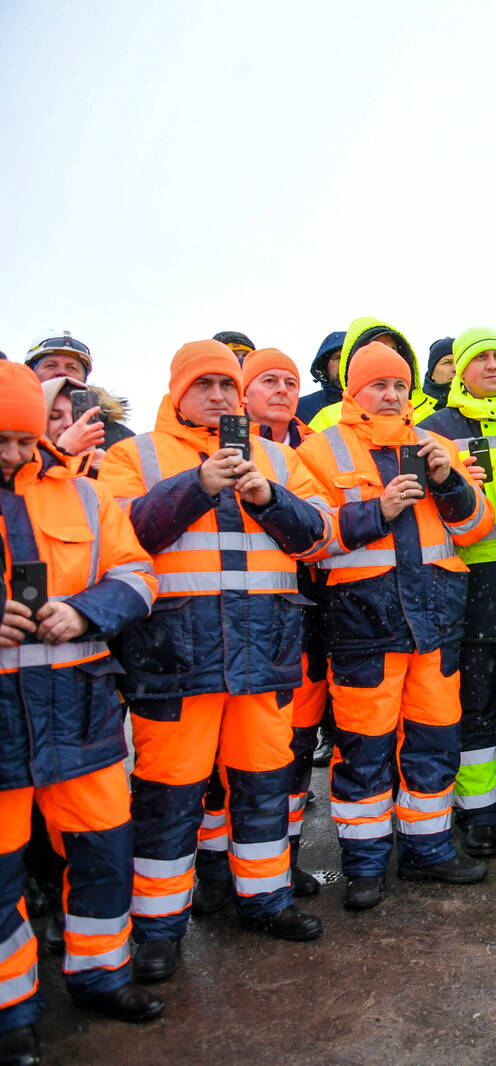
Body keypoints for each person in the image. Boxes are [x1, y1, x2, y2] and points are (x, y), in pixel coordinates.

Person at [98, 341, 336, 983]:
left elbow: (322, 536)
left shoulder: (281, 459)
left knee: (262, 787)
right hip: (177, 658)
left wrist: (269, 499)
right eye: (204, 385)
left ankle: (265, 900)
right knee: (168, 799)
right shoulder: (134, 456)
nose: (220, 397)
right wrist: (195, 487)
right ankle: (158, 929)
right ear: (177, 390)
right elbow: (119, 536)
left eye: (228, 385)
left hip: (264, 654)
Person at [295, 343, 496, 910]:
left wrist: (450, 482)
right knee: (363, 751)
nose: (391, 395)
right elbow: (309, 538)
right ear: (353, 392)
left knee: (433, 743)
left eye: (400, 387)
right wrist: (377, 510)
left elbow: (479, 526)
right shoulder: (319, 450)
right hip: (365, 629)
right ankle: (362, 866)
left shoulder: (439, 444)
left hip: (434, 628)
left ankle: (428, 850)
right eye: (379, 385)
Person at [0, 363, 162, 1065]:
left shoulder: (88, 498)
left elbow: (135, 575)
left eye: (20, 438)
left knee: (102, 856)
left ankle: (101, 977)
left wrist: (85, 610)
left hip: (82, 713)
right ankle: (11, 1014)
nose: (10, 453)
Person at [418, 328, 496, 858]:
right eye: (480, 358)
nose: (493, 365)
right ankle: (478, 813)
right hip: (467, 587)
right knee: (472, 707)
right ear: (461, 369)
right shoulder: (433, 430)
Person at [234, 348, 324, 896]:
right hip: (241, 621)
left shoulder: (309, 449)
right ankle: (221, 870)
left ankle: (282, 858)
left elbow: (321, 528)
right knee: (238, 761)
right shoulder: (211, 449)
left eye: (290, 382)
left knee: (291, 749)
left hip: (308, 617)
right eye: (269, 380)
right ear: (245, 393)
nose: (283, 390)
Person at [306, 317, 438, 431]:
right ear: (354, 357)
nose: (385, 354)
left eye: (392, 349)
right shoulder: (327, 420)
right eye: (376, 346)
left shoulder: (430, 415)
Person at [25, 333, 135, 448]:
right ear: (30, 374)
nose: (62, 372)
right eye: (50, 365)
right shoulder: (9, 425)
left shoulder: (120, 440)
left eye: (72, 367)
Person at [296, 331, 346, 423]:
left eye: (349, 357)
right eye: (337, 358)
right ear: (325, 365)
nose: (343, 363)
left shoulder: (374, 405)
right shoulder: (301, 409)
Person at [423, 337, 456, 413]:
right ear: (432, 373)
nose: (455, 369)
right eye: (447, 362)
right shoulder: (412, 407)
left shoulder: (480, 405)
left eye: (459, 362)